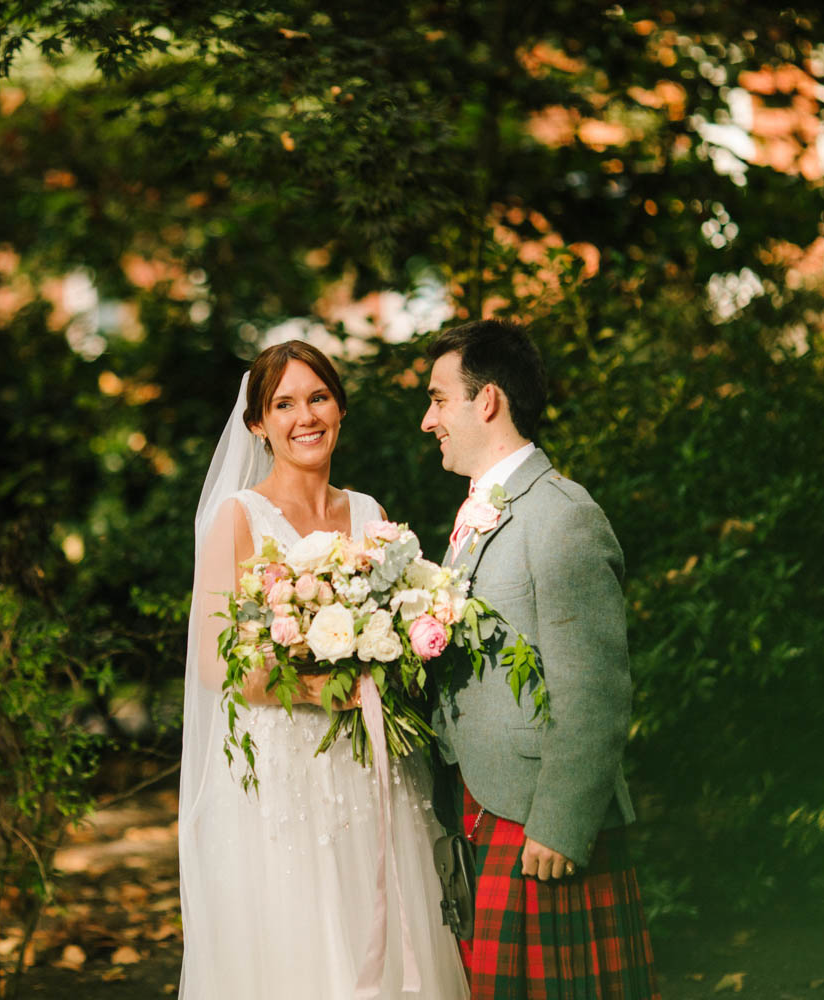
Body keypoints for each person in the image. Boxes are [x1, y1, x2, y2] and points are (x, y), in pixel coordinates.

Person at [178, 341, 469, 1000]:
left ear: (339, 408)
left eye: (317, 398)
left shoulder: (368, 515)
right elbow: (212, 662)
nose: (304, 416)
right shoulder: (239, 518)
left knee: (391, 928)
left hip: (373, 775)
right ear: (257, 424)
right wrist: (316, 688)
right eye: (283, 404)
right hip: (283, 784)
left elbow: (404, 625)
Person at [421, 319, 659, 1000]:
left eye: (439, 399)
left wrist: (560, 825)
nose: (427, 419)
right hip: (482, 808)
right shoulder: (485, 511)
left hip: (538, 826)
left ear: (487, 400)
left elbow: (596, 689)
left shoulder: (562, 516)